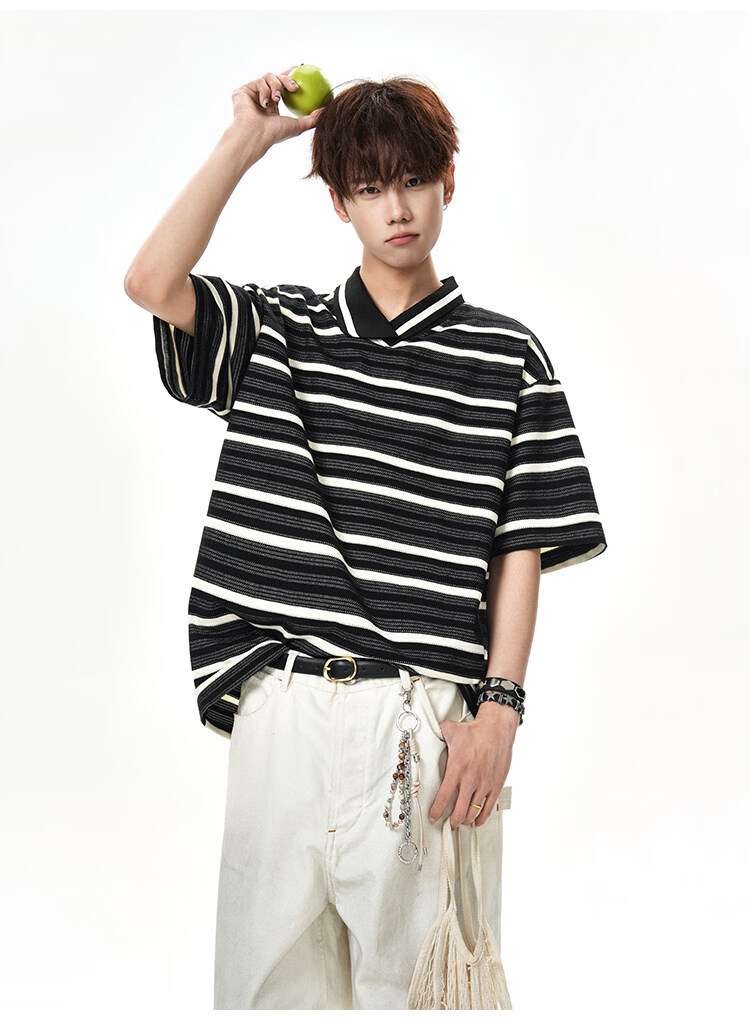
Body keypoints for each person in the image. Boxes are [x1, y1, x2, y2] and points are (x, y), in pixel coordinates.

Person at [124, 66, 607, 1010]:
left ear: (448, 181)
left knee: (427, 996)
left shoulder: (507, 357)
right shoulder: (279, 331)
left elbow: (521, 545)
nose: (398, 208)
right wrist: (246, 141)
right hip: (283, 710)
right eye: (372, 186)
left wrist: (500, 711)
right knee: (266, 1000)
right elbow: (150, 281)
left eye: (415, 179)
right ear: (339, 203)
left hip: (421, 718)